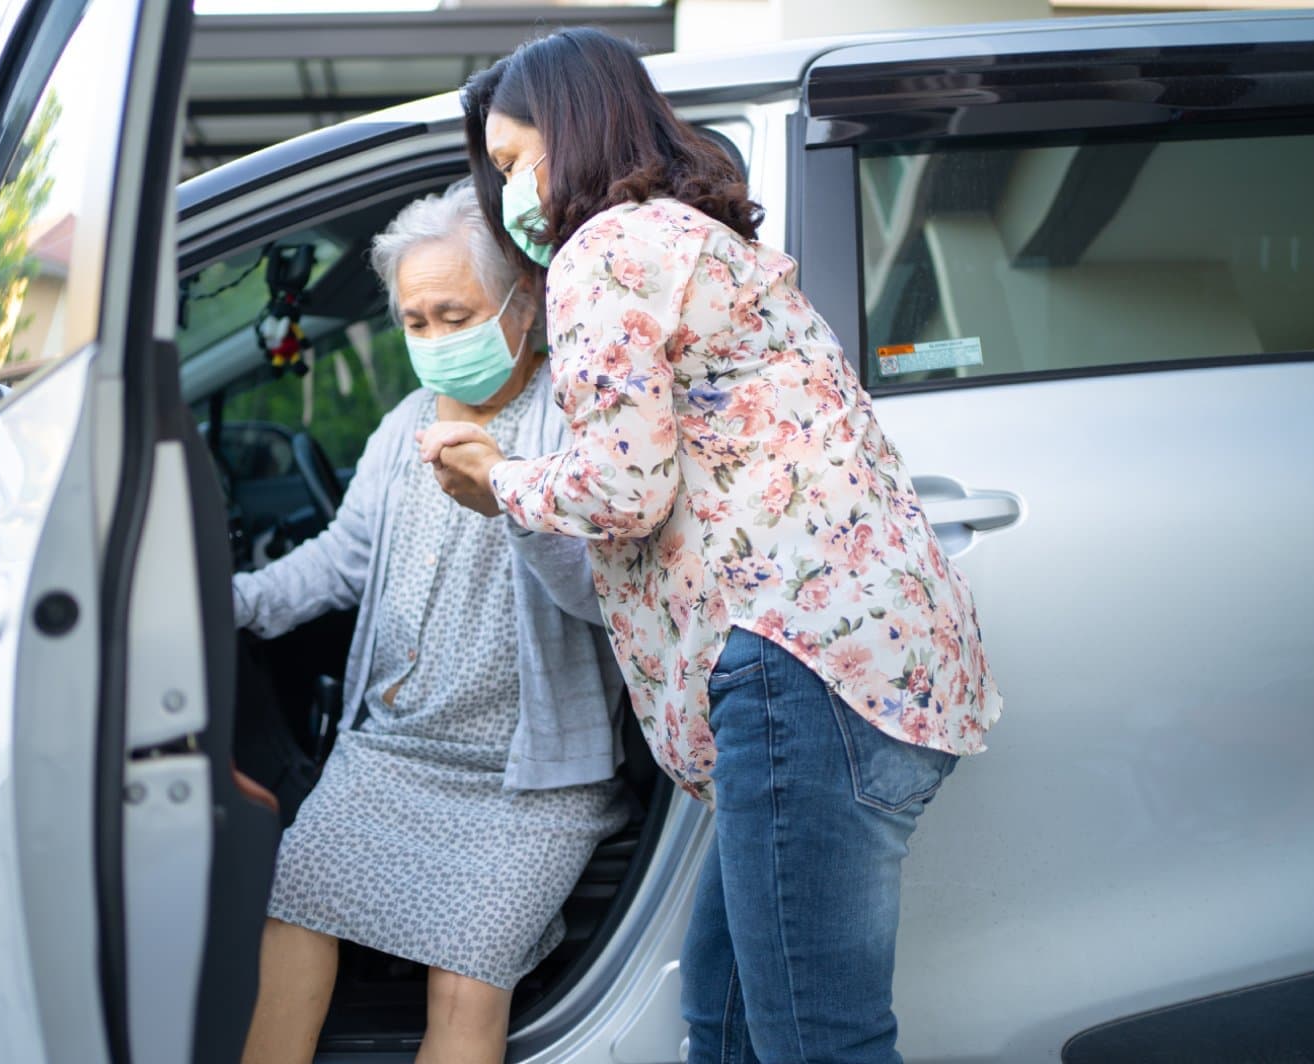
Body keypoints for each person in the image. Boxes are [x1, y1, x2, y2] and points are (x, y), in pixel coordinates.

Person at [420, 29, 1003, 1064]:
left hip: (799, 670)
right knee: (726, 1022)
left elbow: (624, 486)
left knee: (817, 1043)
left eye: (512, 162)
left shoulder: (605, 248)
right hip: (877, 669)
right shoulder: (694, 238)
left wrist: (496, 480)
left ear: (575, 130)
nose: (507, 193)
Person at [234, 182, 629, 1064]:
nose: (436, 339)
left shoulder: (575, 420)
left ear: (524, 304)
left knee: (466, 980)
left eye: (456, 316)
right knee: (291, 912)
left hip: (530, 779)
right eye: (416, 322)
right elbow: (340, 562)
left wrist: (508, 500)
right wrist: (231, 601)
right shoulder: (403, 426)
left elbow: (603, 598)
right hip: (392, 752)